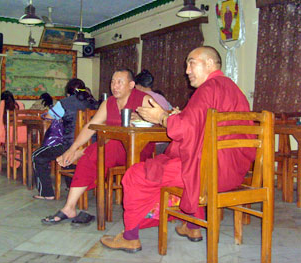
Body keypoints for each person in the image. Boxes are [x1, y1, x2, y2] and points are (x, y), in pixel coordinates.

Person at [100, 46, 256, 253]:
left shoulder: (208, 89)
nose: (187, 70)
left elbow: (183, 129)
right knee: (176, 167)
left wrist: (162, 118)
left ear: (209, 64)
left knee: (136, 174)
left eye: (191, 63)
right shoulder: (232, 88)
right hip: (233, 172)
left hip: (208, 172)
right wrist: (176, 116)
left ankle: (130, 237)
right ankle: (192, 226)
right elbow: (201, 127)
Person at [41, 68, 154, 225]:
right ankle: (69, 207)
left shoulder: (144, 99)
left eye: (120, 82)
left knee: (99, 149)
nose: (114, 86)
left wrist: (143, 117)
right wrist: (72, 148)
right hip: (113, 148)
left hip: (139, 149)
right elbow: (90, 126)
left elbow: (160, 122)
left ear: (131, 84)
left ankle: (83, 153)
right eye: (113, 82)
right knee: (95, 153)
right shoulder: (109, 103)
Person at [32, 79, 97, 200]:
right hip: (93, 147)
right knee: (64, 153)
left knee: (37, 156)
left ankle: (47, 193)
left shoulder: (65, 103)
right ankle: (71, 185)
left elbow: (48, 117)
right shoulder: (94, 102)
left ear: (68, 93)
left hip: (71, 145)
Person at [0, 90, 26, 168]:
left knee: (3, 136)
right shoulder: (20, 104)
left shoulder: (3, 104)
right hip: (23, 136)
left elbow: (0, 123)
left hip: (10, 137)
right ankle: (16, 161)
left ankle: (12, 160)